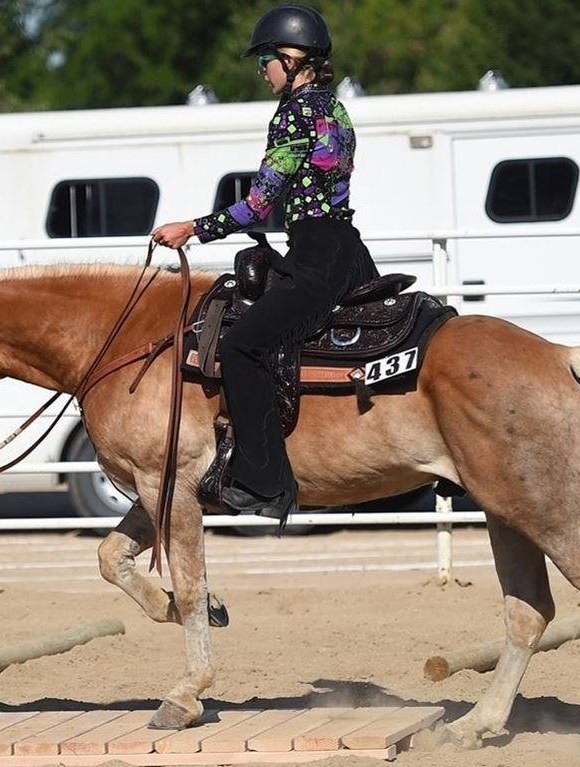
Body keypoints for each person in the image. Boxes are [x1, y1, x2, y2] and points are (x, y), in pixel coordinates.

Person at [150, 4, 378, 522]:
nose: (263, 72)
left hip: (317, 255)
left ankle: (264, 480)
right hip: (350, 250)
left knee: (242, 346)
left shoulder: (294, 113)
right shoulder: (335, 109)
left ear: (294, 60)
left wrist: (193, 229)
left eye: (266, 61)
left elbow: (258, 204)